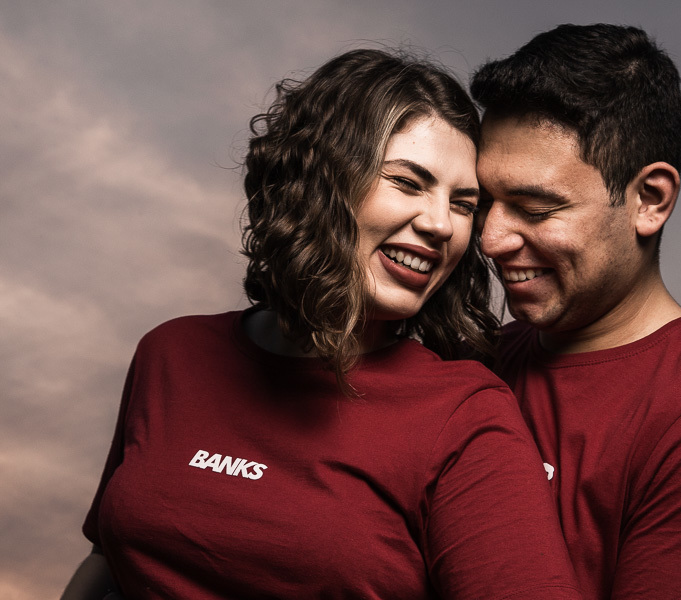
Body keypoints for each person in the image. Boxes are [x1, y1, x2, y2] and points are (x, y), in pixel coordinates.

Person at [62, 48, 582, 599]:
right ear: (320, 178)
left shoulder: (465, 416)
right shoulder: (172, 353)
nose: (440, 225)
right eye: (408, 182)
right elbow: (107, 562)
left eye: (463, 203)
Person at [470, 24, 681, 599]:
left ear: (650, 200)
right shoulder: (482, 359)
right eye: (486, 202)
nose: (492, 239)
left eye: (535, 209)